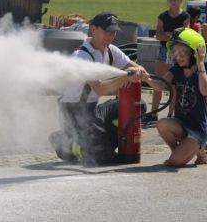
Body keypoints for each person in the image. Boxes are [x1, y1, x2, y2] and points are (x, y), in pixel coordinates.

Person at [49, 12, 148, 165]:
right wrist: (126, 77)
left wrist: (140, 71)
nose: (110, 37)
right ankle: (66, 142)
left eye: (113, 33)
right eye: (106, 32)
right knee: (102, 158)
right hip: (73, 114)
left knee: (139, 106)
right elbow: (100, 90)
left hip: (92, 110)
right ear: (93, 29)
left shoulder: (111, 50)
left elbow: (136, 68)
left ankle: (100, 141)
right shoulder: (82, 57)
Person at [143, 27, 207, 166]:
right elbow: (160, 86)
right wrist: (146, 78)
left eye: (181, 52)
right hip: (181, 124)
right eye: (174, 52)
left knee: (174, 162)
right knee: (162, 124)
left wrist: (200, 63)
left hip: (197, 129)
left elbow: (205, 91)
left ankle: (198, 147)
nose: (177, 56)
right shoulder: (176, 70)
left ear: (194, 53)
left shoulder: (202, 71)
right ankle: (181, 152)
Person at [151, 0, 190, 120]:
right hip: (163, 50)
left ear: (181, 1)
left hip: (177, 52)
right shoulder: (162, 16)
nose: (173, 2)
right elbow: (158, 35)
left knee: (173, 84)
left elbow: (184, 36)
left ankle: (170, 114)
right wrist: (172, 35)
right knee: (159, 81)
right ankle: (153, 113)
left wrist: (168, 34)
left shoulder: (185, 16)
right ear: (168, 1)